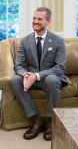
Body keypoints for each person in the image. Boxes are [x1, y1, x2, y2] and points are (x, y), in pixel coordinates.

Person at [9, 7, 67, 141]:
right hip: (31, 79)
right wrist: (25, 75)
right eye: (34, 18)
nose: (35, 21)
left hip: (49, 79)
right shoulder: (25, 41)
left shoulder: (58, 41)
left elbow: (60, 68)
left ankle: (51, 122)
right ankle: (37, 120)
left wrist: (38, 75)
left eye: (39, 19)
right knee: (13, 80)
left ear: (48, 21)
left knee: (52, 79)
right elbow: (18, 66)